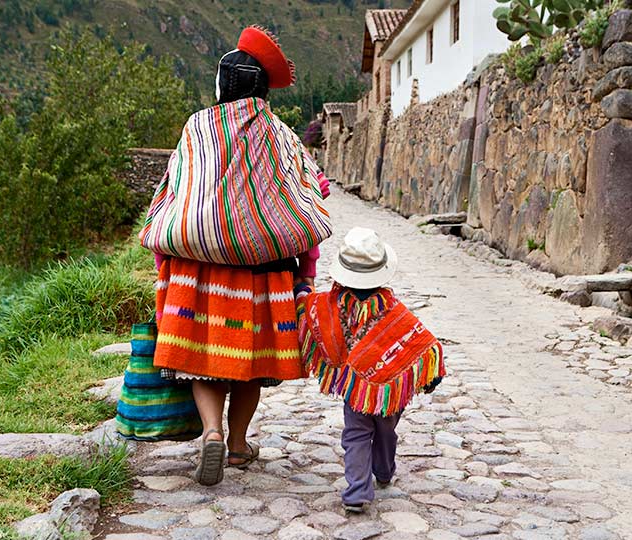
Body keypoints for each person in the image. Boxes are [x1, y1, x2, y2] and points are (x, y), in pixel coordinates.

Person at [149, 26, 329, 486]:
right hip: (262, 271)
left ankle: (209, 431)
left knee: (201, 356)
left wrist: (165, 255)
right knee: (248, 360)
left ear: (221, 86)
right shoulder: (281, 135)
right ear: (262, 89)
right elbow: (303, 192)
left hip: (197, 267)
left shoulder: (196, 128)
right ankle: (236, 444)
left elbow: (174, 189)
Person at [295, 227, 446, 512]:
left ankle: (357, 492)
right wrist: (430, 375)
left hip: (355, 392)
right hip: (389, 391)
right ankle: (384, 471)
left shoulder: (333, 304)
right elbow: (418, 340)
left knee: (356, 435)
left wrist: (301, 290)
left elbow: (309, 307)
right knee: (386, 432)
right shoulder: (391, 308)